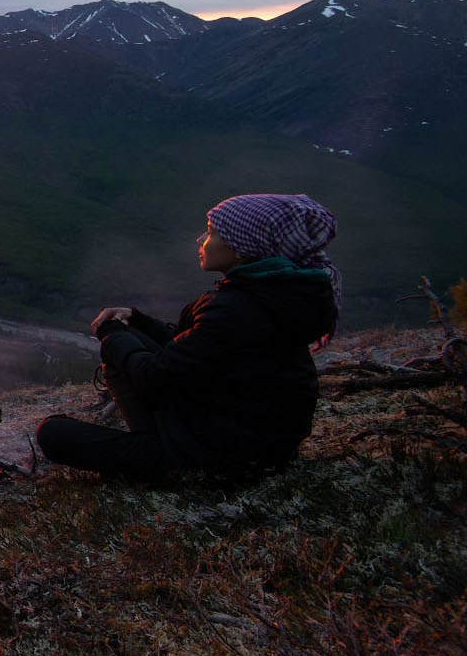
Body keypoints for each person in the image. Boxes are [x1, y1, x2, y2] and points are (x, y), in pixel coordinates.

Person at [36, 193, 340, 482]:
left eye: (211, 233)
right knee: (131, 335)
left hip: (214, 460)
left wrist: (112, 336)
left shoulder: (236, 310)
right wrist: (138, 320)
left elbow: (152, 376)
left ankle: (152, 449)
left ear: (241, 247)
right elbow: (195, 349)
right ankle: (154, 438)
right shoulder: (275, 297)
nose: (201, 240)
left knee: (52, 433)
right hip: (259, 444)